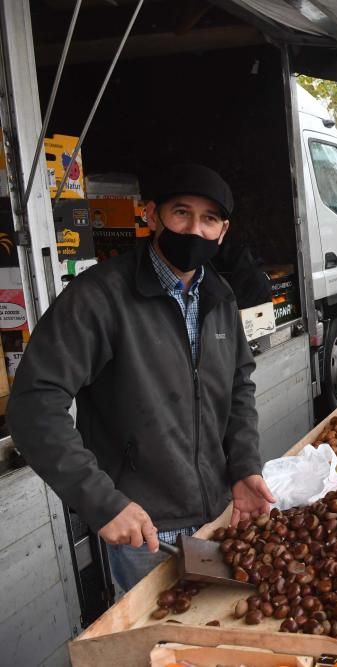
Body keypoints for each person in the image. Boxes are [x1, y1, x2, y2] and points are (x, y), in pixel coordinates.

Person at [7, 164, 274, 592]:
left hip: (221, 512)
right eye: (181, 213)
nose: (194, 230)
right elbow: (34, 404)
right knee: (159, 651)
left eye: (209, 220)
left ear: (223, 231)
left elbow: (239, 386)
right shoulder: (99, 298)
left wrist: (244, 465)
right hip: (144, 528)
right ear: (151, 216)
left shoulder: (219, 297)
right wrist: (102, 502)